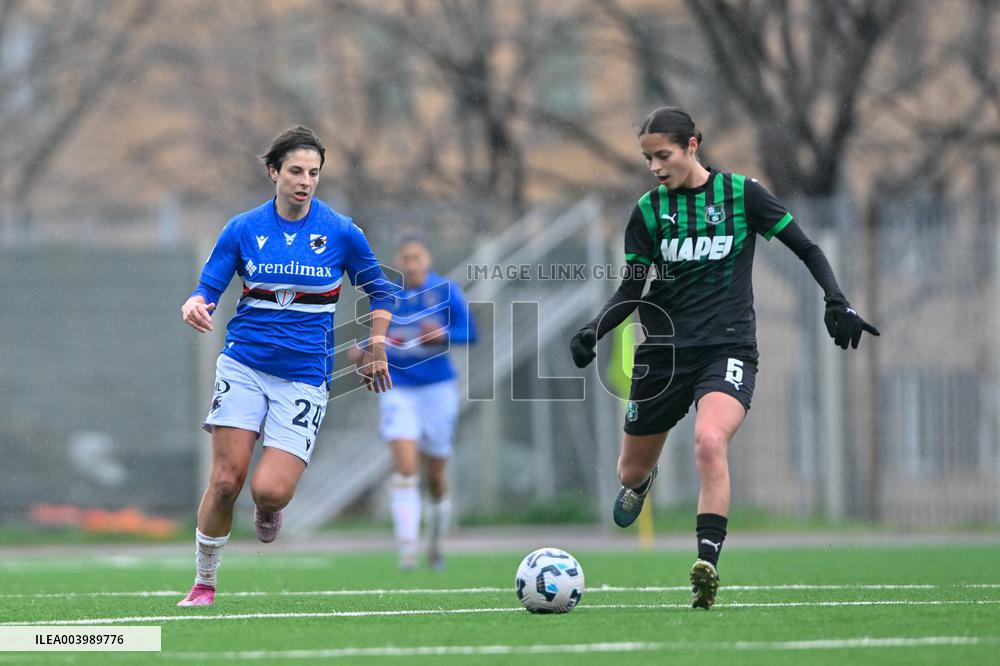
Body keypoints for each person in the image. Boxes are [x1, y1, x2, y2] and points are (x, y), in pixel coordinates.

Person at [569, 107, 879, 610]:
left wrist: (836, 299)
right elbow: (631, 289)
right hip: (664, 356)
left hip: (728, 348)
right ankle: (644, 482)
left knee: (710, 441)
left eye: (663, 155)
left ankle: (706, 564)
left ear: (692, 145)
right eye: (648, 159)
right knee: (628, 473)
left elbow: (808, 248)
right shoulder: (648, 212)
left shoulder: (742, 195)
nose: (655, 167)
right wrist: (593, 330)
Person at [177, 125, 397, 607]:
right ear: (274, 172)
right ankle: (204, 582)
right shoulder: (243, 229)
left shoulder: (341, 232)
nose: (305, 181)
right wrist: (195, 303)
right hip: (244, 364)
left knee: (270, 491)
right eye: (296, 171)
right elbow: (207, 288)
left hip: (303, 376)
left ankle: (268, 507)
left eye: (314, 173)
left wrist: (377, 345)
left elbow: (381, 292)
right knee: (226, 480)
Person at [351, 236, 476, 570]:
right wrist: (363, 349)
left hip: (438, 389)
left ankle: (435, 543)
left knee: (435, 474)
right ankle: (407, 549)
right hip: (399, 388)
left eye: (417, 257)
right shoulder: (388, 295)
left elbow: (471, 332)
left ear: (427, 259)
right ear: (398, 262)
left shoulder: (446, 291)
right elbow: (379, 334)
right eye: (405, 258)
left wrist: (444, 336)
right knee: (406, 469)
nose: (411, 264)